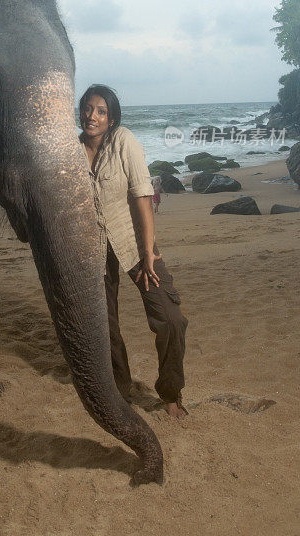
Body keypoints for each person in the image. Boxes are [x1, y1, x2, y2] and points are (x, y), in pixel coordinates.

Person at [79, 84, 188, 418]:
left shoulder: (124, 140)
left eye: (100, 111)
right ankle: (119, 389)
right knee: (105, 325)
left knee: (170, 319)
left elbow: (142, 196)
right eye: (87, 108)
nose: (91, 116)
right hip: (93, 248)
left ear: (112, 119)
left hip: (133, 243)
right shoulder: (71, 149)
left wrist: (148, 252)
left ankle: (171, 394)